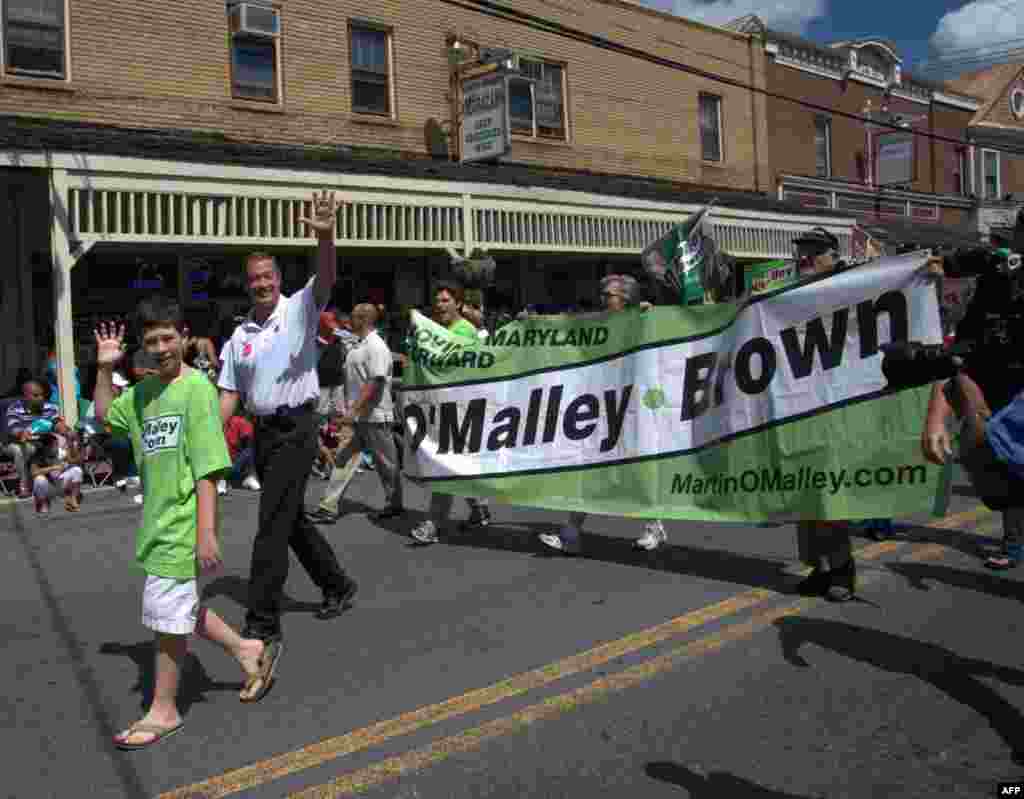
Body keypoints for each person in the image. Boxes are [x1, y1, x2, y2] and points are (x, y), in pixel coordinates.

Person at [92, 299, 278, 752]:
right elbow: (102, 416)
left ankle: (164, 709)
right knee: (179, 609)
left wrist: (206, 531)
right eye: (151, 340)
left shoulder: (196, 389)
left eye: (168, 338)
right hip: (155, 522)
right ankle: (248, 650)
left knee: (166, 620)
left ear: (183, 337)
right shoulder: (140, 394)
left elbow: (208, 467)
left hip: (183, 521)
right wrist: (102, 369)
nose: (160, 348)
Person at [218, 190, 359, 644]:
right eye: (254, 279)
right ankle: (337, 584)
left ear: (278, 279)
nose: (261, 284)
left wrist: (325, 236)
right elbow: (228, 393)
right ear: (248, 284)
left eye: (267, 277)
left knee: (270, 529)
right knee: (289, 518)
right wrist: (209, 433)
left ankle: (261, 622)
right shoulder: (239, 336)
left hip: (297, 428)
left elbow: (328, 275)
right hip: (263, 434)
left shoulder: (299, 308)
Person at [536, 275, 668, 555]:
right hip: (599, 406)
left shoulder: (641, 320)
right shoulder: (596, 326)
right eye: (603, 294)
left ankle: (653, 525)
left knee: (636, 469)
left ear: (626, 299)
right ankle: (571, 535)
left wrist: (648, 313)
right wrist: (534, 325)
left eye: (608, 295)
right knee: (588, 468)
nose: (602, 299)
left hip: (632, 407)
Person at [305, 302, 405, 524]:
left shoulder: (376, 346)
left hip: (376, 417)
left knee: (386, 464)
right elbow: (339, 336)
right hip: (357, 417)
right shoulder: (358, 344)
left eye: (352, 318)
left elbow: (376, 382)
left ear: (363, 320)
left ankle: (395, 503)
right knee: (343, 459)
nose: (348, 322)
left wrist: (353, 410)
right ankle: (328, 507)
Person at [409, 282, 491, 544]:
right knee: (458, 464)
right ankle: (478, 507)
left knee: (445, 465)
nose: (440, 305)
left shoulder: (465, 330)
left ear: (458, 304)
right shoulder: (438, 330)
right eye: (438, 301)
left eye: (445, 300)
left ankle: (433, 524)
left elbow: (463, 368)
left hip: (461, 409)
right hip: (443, 407)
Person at [4, 376, 68, 498]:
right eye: (36, 395)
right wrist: (22, 433)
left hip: (40, 441)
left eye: (42, 395)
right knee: (21, 449)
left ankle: (61, 481)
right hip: (14, 443)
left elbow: (56, 423)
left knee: (62, 441)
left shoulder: (49, 407)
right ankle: (24, 485)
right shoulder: (15, 408)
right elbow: (13, 429)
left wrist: (63, 429)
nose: (41, 398)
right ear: (25, 396)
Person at [29, 430, 84, 514]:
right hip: (47, 487)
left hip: (59, 483)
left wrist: (71, 445)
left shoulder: (59, 452)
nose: (57, 446)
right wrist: (53, 468)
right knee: (39, 480)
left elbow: (73, 461)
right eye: (55, 445)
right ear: (46, 446)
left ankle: (73, 499)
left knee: (77, 470)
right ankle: (43, 503)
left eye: (57, 444)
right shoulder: (37, 455)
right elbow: (33, 472)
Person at [219, 413, 260, 495]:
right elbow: (247, 442)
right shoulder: (242, 422)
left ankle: (246, 478)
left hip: (225, 464)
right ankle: (223, 480)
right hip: (226, 465)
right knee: (248, 451)